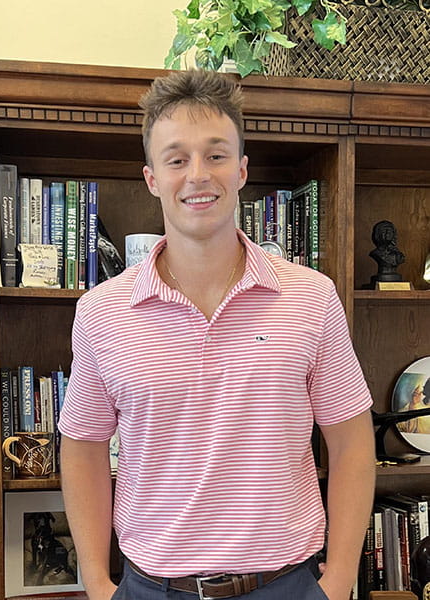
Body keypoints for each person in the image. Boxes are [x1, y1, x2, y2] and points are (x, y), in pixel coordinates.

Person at [58, 69, 376, 600]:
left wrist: (339, 579)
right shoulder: (101, 312)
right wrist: (96, 583)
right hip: (151, 588)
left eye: (216, 154)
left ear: (242, 169)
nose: (198, 175)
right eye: (177, 159)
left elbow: (350, 441)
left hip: (289, 585)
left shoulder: (311, 298)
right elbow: (83, 447)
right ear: (153, 177)